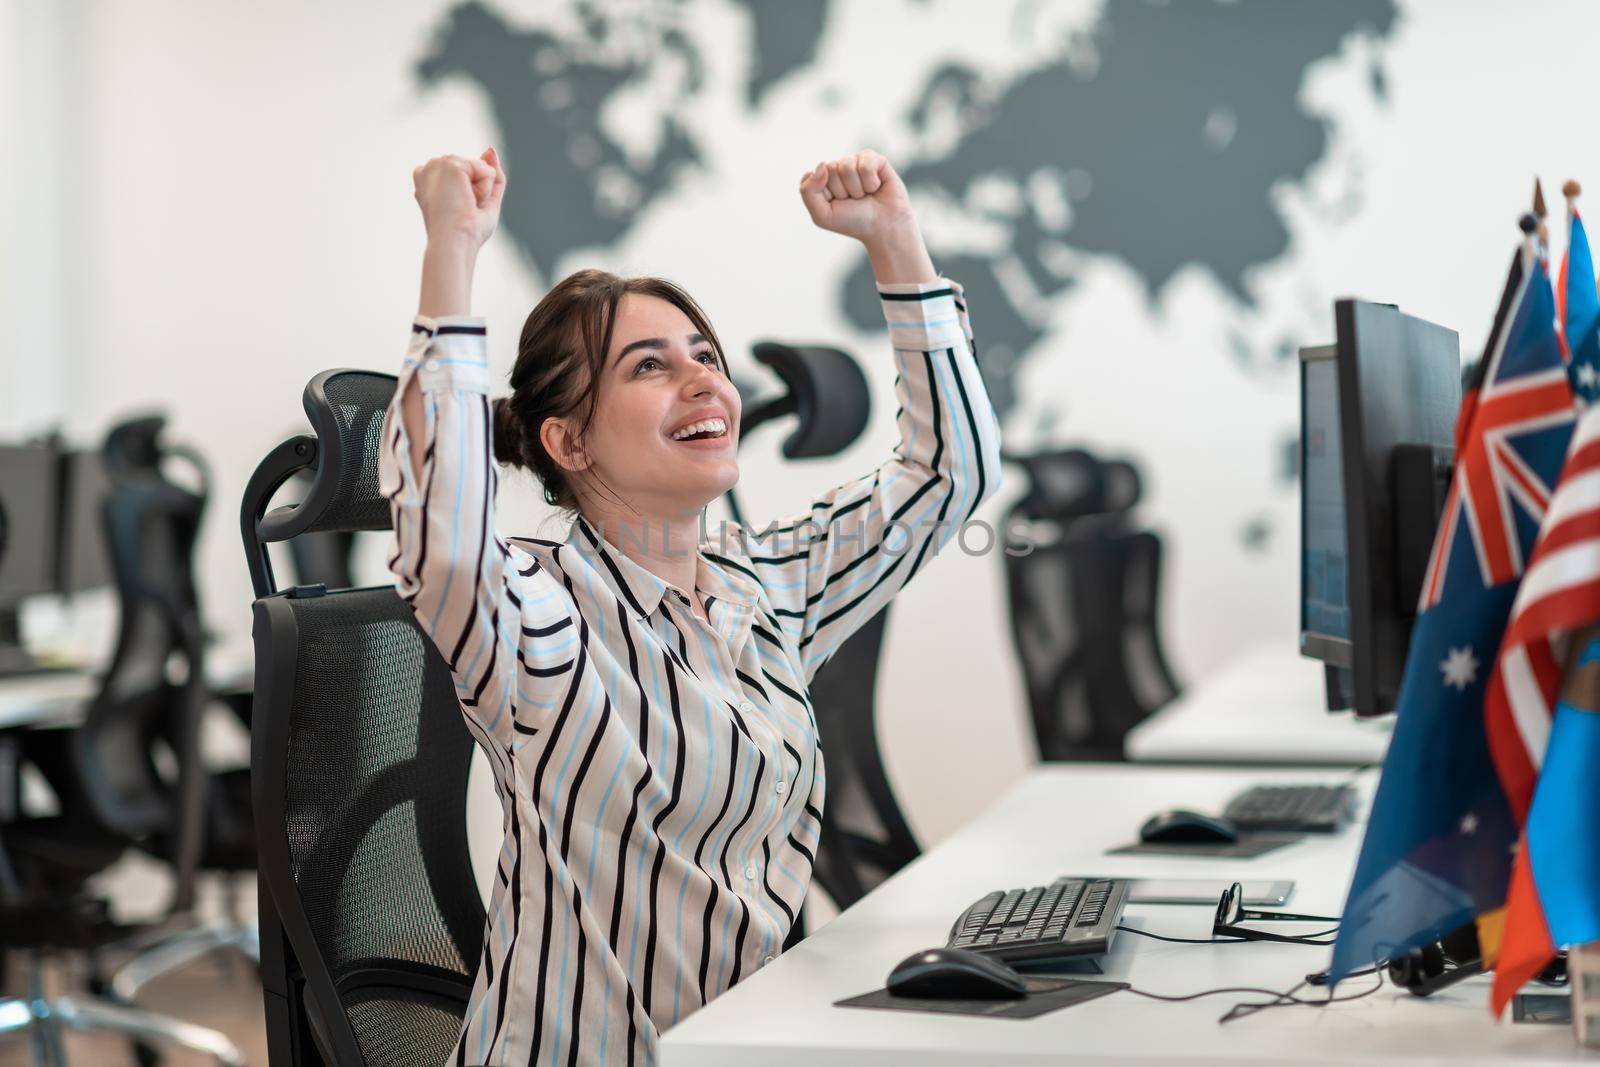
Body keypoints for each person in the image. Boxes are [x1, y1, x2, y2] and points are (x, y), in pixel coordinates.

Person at [380, 145, 1002, 1066]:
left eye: (705, 356)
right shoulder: (539, 616)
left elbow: (947, 478)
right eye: (649, 367)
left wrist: (895, 242)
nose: (706, 379)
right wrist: (453, 253)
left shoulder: (762, 588)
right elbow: (442, 530)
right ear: (569, 441)